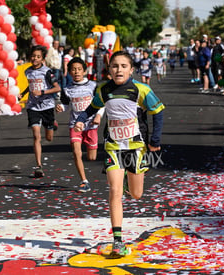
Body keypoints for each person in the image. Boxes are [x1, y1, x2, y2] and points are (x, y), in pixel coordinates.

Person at [74, 51, 164, 258]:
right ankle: (118, 241)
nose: (119, 70)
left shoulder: (141, 89)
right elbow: (92, 108)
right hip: (114, 146)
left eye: (124, 66)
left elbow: (158, 111)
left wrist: (155, 141)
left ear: (131, 70)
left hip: (135, 146)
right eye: (115, 66)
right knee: (114, 191)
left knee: (136, 194)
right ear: (109, 70)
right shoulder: (104, 89)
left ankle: (127, 179)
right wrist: (81, 119)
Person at [56, 57, 104, 192]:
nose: (76, 72)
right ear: (70, 72)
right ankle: (84, 181)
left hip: (91, 125)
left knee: (92, 157)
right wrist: (61, 107)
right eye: (73, 70)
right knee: (76, 152)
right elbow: (66, 104)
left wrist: (99, 116)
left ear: (84, 71)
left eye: (79, 69)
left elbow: (101, 103)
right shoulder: (67, 89)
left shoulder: (93, 86)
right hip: (75, 124)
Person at [21, 45, 61, 178]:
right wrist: (23, 93)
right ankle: (39, 166)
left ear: (42, 58)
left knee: (49, 138)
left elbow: (57, 88)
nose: (35, 59)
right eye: (33, 56)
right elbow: (31, 85)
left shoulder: (47, 72)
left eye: (38, 57)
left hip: (47, 106)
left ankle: (52, 123)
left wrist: (42, 92)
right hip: (33, 106)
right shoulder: (27, 71)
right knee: (36, 136)